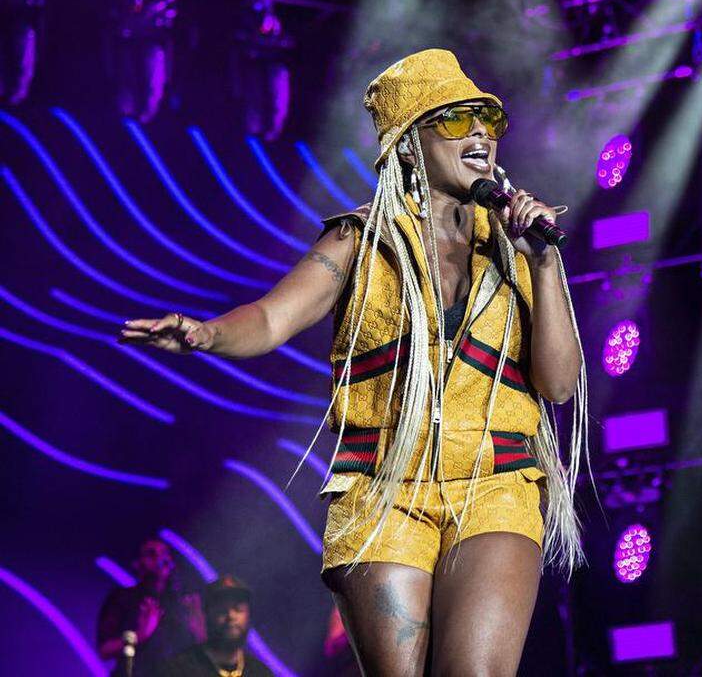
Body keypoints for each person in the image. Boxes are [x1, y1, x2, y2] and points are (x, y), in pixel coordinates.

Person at [119, 48, 590, 675]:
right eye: (454, 119)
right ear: (410, 141)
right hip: (384, 489)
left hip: (495, 483)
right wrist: (206, 334)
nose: (480, 132)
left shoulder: (516, 247)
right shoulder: (359, 240)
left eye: (485, 119)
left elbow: (558, 384)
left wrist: (545, 261)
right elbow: (271, 318)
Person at [96, 537, 205, 676]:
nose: (161, 559)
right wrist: (140, 635)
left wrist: (199, 627)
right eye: (152, 554)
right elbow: (105, 650)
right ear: (137, 563)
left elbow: (206, 652)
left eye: (165, 554)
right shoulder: (122, 598)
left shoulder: (182, 602)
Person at [155, 575, 271, 677]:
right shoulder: (179, 670)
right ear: (207, 614)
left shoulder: (260, 672)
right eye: (222, 609)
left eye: (238, 609)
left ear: (248, 616)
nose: (230, 616)